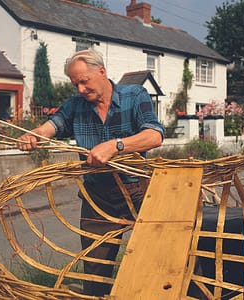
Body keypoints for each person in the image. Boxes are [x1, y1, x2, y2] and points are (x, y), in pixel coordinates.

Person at [17, 49, 165, 296]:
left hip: (139, 190)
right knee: (95, 270)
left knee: (156, 258)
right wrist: (35, 135)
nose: (81, 90)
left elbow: (155, 135)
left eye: (84, 81)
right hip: (97, 197)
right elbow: (54, 125)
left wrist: (116, 145)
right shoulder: (76, 105)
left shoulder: (134, 95)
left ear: (101, 72)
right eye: (76, 84)